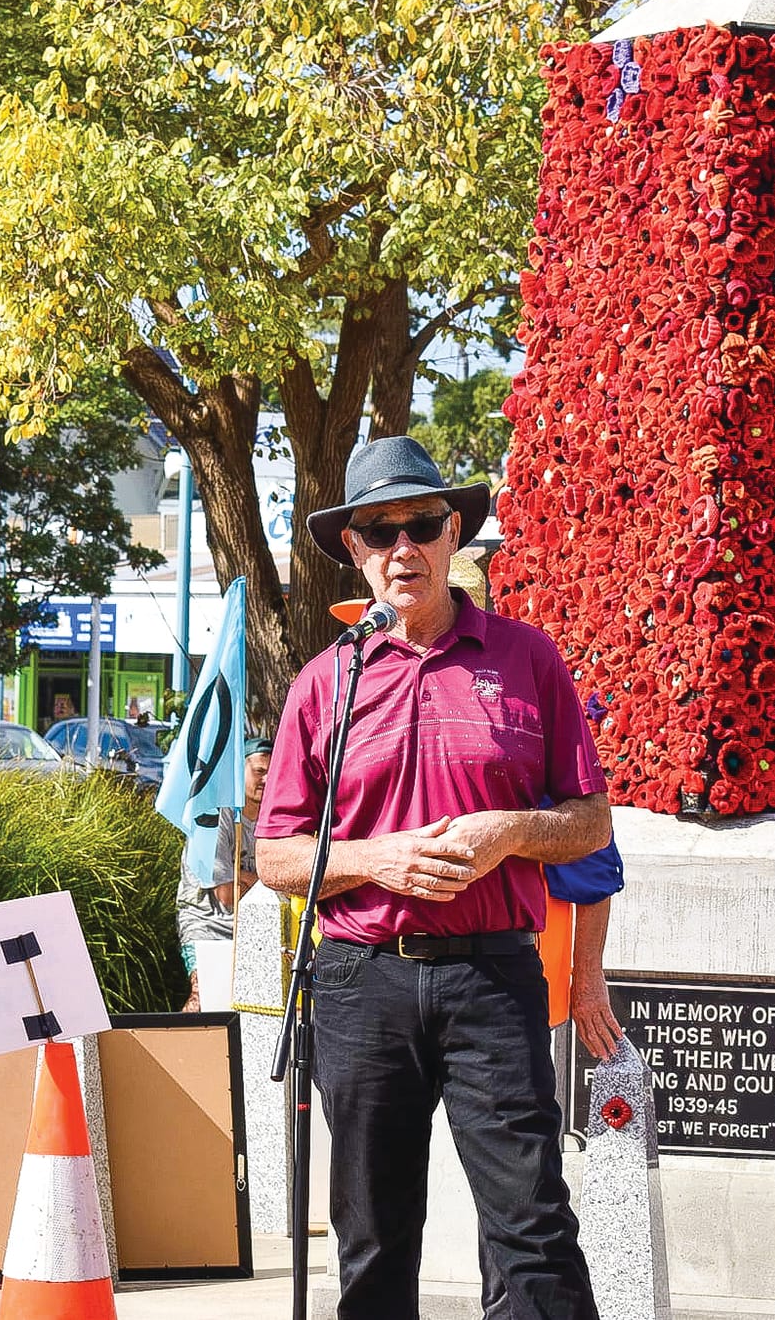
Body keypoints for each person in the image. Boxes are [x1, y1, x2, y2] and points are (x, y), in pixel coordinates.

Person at [257, 435, 611, 1319]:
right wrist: (381, 858)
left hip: (492, 973)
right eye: (379, 533)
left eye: (420, 524)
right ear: (354, 550)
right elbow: (276, 855)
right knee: (372, 1237)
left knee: (531, 1225)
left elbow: (591, 821)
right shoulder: (323, 684)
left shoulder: (527, 661)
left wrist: (510, 833)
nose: (401, 548)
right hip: (357, 981)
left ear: (453, 532)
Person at [177, 737, 273, 1011]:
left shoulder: (272, 819)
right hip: (207, 926)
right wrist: (264, 882)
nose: (265, 779)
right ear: (239, 772)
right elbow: (226, 894)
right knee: (203, 997)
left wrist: (244, 877)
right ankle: (183, 1050)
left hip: (252, 929)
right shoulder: (218, 817)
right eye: (258, 771)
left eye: (271, 772)